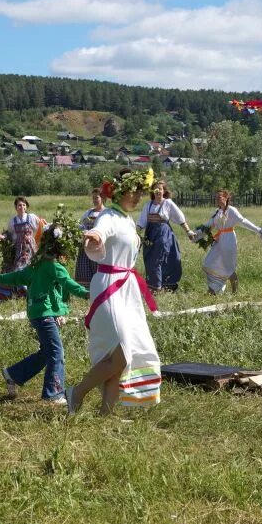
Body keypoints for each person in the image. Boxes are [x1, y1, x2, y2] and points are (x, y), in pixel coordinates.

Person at [68, 168, 161, 416]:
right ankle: (76, 393)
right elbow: (100, 230)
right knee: (119, 353)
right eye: (134, 192)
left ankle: (105, 414)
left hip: (127, 288)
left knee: (120, 355)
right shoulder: (108, 216)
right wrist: (95, 237)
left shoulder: (128, 220)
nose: (138, 197)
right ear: (120, 191)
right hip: (108, 285)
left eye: (141, 193)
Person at [0, 224, 89, 404]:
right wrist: (88, 293)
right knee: (56, 352)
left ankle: (13, 374)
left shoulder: (37, 265)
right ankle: (53, 393)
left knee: (47, 352)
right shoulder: (55, 266)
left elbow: (16, 277)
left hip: (38, 313)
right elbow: (69, 285)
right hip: (45, 316)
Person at [197, 189, 262, 294]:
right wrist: (195, 235)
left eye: (219, 197)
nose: (217, 199)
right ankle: (215, 288)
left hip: (228, 239)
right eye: (216, 198)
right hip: (219, 240)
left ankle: (233, 292)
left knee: (229, 267)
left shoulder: (231, 210)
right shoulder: (217, 212)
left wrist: (259, 230)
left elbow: (243, 221)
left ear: (226, 198)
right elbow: (208, 226)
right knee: (210, 263)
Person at [137, 180, 195, 292]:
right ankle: (155, 285)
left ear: (164, 191)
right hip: (150, 236)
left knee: (159, 260)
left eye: (161, 189)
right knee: (149, 260)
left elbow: (180, 218)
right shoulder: (148, 205)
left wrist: (188, 231)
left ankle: (159, 287)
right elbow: (141, 223)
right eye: (156, 189)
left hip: (163, 235)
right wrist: (136, 234)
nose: (158, 191)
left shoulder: (168, 203)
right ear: (153, 191)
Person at [0, 196, 44, 301]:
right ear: (16, 207)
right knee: (19, 269)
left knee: (31, 269)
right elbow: (10, 235)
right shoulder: (13, 221)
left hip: (31, 248)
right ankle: (22, 293)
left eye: (24, 205)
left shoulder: (31, 217)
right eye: (19, 205)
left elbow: (42, 226)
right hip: (19, 250)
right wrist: (2, 236)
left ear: (26, 206)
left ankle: (31, 293)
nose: (22, 207)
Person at [74, 188, 104, 288]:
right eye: (93, 198)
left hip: (99, 244)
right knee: (85, 266)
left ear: (102, 198)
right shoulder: (89, 212)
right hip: (86, 244)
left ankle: (99, 288)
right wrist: (83, 231)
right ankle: (86, 291)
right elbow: (80, 225)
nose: (95, 200)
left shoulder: (106, 213)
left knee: (98, 266)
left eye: (97, 198)